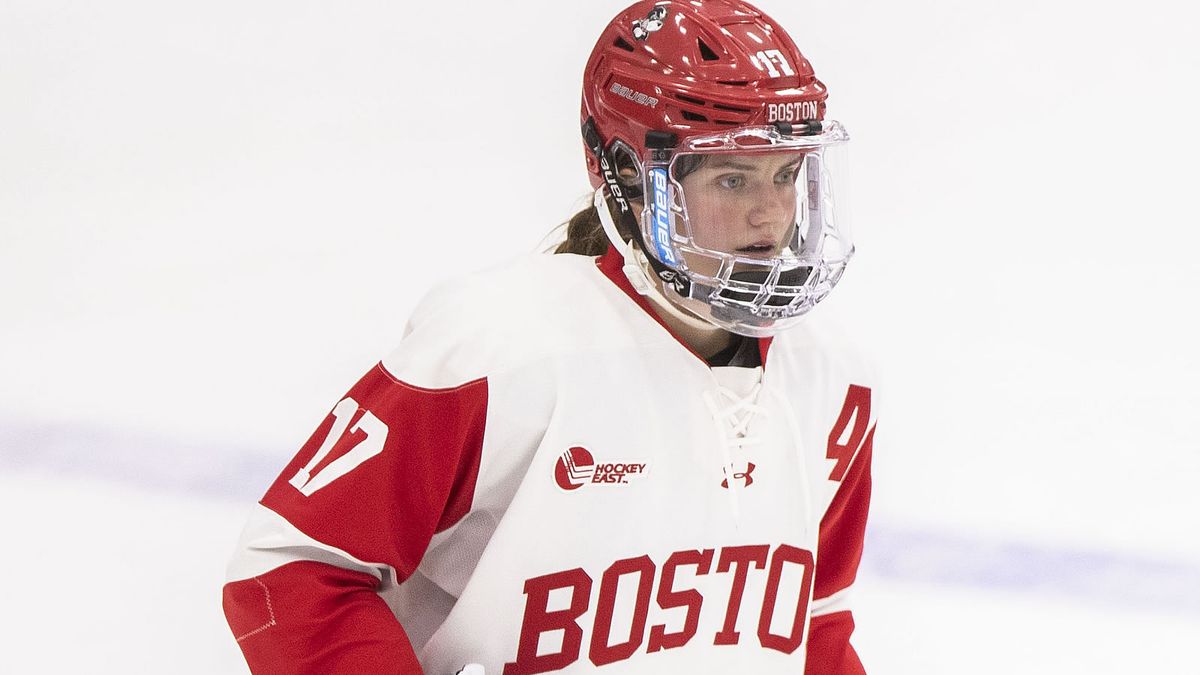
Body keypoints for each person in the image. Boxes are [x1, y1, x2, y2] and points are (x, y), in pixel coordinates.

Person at [222, 1, 877, 673]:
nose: (770, 213)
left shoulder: (832, 380)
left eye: (787, 172)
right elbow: (292, 570)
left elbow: (816, 625)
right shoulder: (501, 350)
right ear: (629, 179)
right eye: (731, 178)